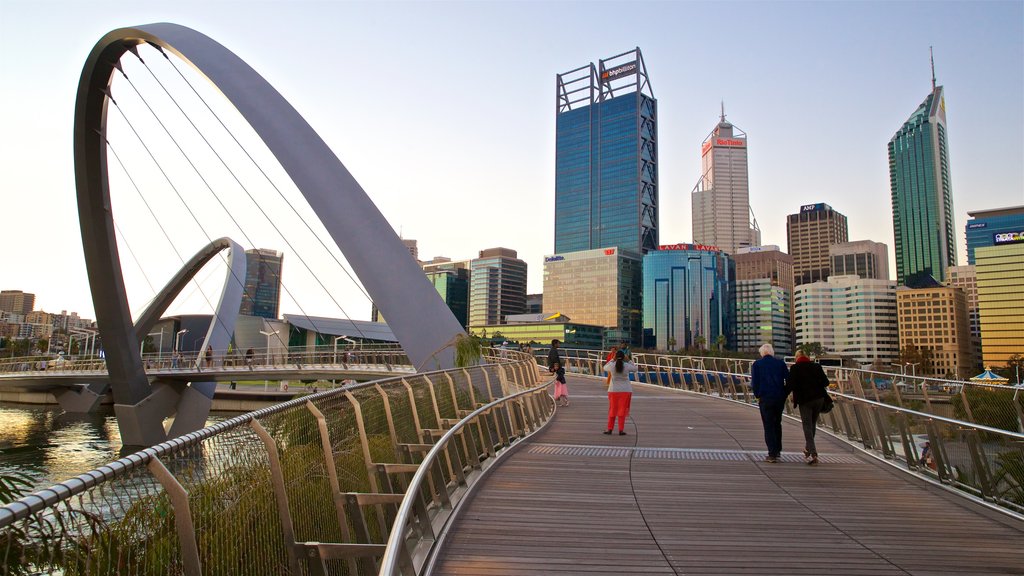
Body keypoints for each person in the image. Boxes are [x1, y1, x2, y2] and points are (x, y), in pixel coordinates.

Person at [786, 349, 830, 465]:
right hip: (819, 399)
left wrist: (782, 396)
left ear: (797, 358)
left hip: (805, 401)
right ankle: (807, 448)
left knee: (807, 426)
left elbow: (790, 386)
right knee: (812, 424)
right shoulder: (816, 366)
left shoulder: (795, 368)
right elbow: (826, 383)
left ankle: (813, 453)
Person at [750, 343, 790, 463]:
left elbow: (755, 383)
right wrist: (784, 393)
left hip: (765, 398)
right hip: (779, 398)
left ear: (762, 353)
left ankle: (771, 453)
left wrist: (758, 395)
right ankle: (777, 450)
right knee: (777, 423)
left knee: (768, 425)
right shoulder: (780, 363)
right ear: (772, 352)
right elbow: (788, 379)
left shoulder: (757, 364)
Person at [603, 349, 637, 435]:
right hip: (626, 390)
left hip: (613, 390)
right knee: (622, 410)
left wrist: (612, 359)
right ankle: (621, 430)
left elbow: (604, 367)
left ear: (615, 356)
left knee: (612, 409)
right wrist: (629, 360)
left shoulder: (612, 365)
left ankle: (610, 429)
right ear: (623, 357)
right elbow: (635, 368)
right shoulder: (626, 365)